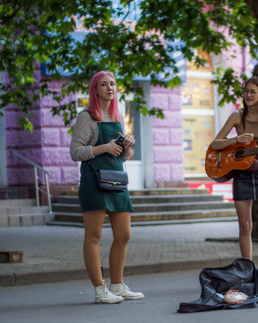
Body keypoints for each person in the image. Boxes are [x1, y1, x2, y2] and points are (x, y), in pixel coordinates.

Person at [70, 71, 144, 304]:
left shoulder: (117, 116)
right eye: (104, 84)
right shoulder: (87, 117)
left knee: (124, 234)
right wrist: (104, 147)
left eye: (112, 84)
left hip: (116, 179)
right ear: (95, 89)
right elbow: (75, 152)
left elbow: (122, 157)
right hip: (94, 181)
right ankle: (100, 290)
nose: (110, 87)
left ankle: (117, 285)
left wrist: (127, 146)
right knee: (94, 235)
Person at [209, 76, 258, 289]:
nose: (248, 95)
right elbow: (215, 144)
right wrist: (236, 140)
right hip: (241, 173)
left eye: (253, 91)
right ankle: (249, 272)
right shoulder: (237, 116)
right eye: (246, 91)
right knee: (245, 225)